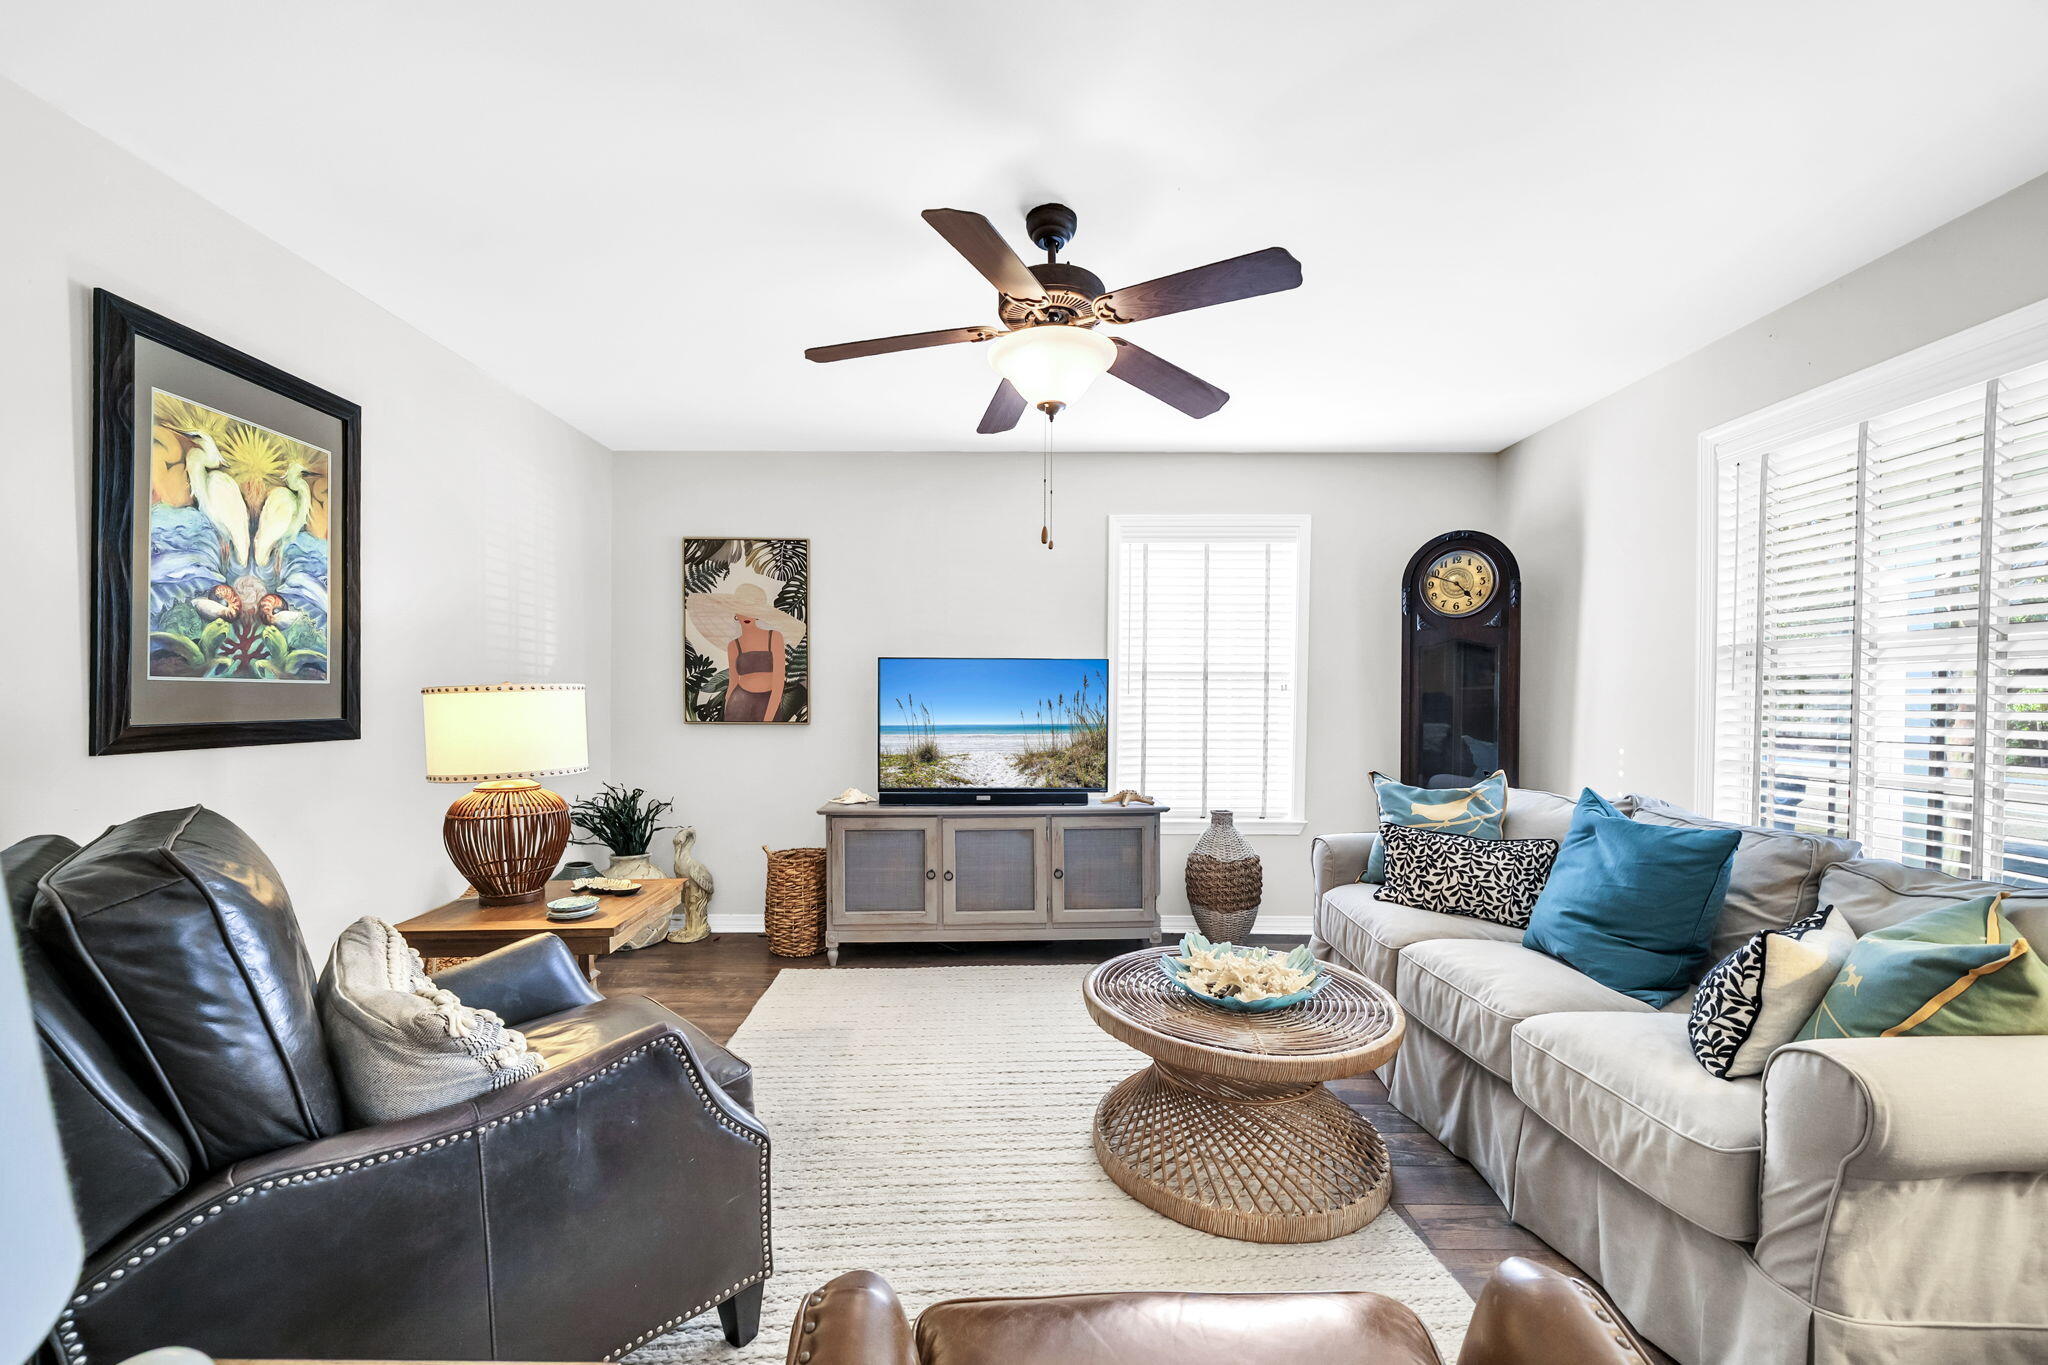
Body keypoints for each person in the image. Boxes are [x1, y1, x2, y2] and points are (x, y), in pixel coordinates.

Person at [686, 580, 806, 722]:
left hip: (768, 703)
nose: (746, 615)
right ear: (736, 612)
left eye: (751, 611)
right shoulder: (734, 645)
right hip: (738, 704)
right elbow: (733, 682)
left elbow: (779, 680)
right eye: (742, 610)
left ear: (758, 614)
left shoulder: (774, 637)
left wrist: (768, 717)